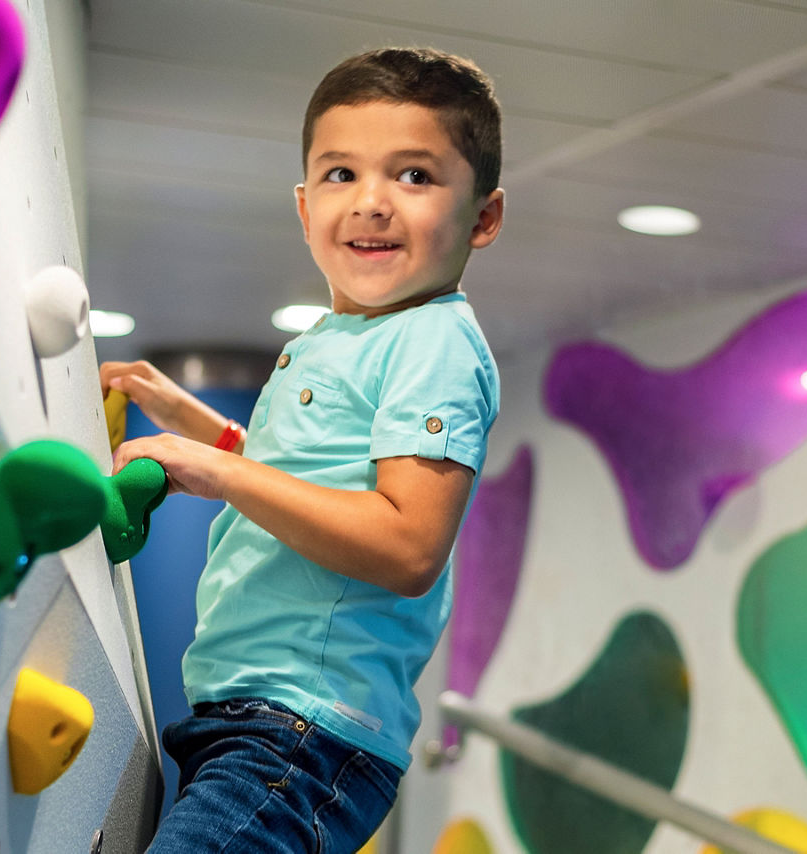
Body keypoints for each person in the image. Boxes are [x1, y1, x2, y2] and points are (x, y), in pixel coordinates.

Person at [101, 46, 505, 854]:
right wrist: (196, 424)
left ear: (484, 217)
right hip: (255, 714)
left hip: (305, 734)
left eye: (415, 176)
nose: (372, 203)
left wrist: (215, 469)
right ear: (302, 203)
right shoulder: (338, 338)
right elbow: (310, 481)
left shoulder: (433, 342)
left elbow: (406, 542)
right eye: (341, 174)